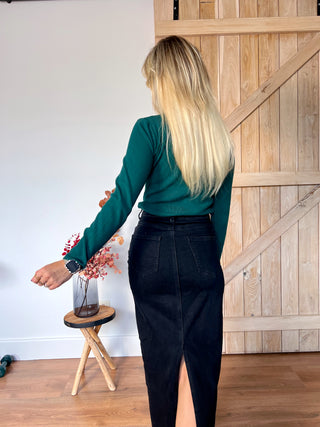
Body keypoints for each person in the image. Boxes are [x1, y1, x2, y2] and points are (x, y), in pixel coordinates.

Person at [31, 35, 234, 427]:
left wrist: (72, 262)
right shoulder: (220, 139)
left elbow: (121, 202)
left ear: (164, 81)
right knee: (199, 353)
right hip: (201, 251)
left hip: (154, 250)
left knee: (163, 354)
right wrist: (207, 265)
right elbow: (220, 220)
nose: (150, 89)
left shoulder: (148, 131)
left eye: (152, 81)